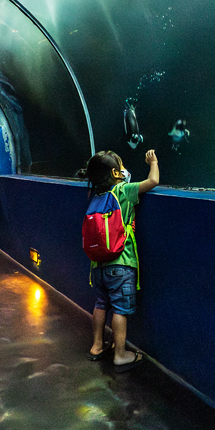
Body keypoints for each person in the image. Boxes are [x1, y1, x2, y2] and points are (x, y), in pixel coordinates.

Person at [84, 149, 159, 372]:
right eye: (122, 165)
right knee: (120, 309)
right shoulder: (123, 191)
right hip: (121, 263)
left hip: (97, 265)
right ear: (117, 173)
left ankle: (97, 346)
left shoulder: (94, 197)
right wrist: (153, 162)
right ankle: (120, 354)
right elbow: (153, 181)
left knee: (100, 305)